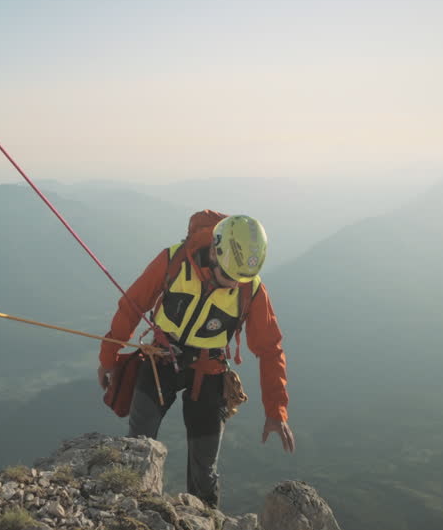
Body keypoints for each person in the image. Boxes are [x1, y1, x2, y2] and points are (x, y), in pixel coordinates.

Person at [98, 213, 295, 508]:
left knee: (205, 469)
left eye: (240, 278)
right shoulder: (174, 260)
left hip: (209, 370)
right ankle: (129, 510)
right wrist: (108, 358)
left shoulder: (250, 289)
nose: (233, 284)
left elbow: (269, 349)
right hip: (161, 359)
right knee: (138, 446)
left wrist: (276, 410)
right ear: (215, 250)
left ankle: (205, 528)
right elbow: (132, 306)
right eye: (229, 275)